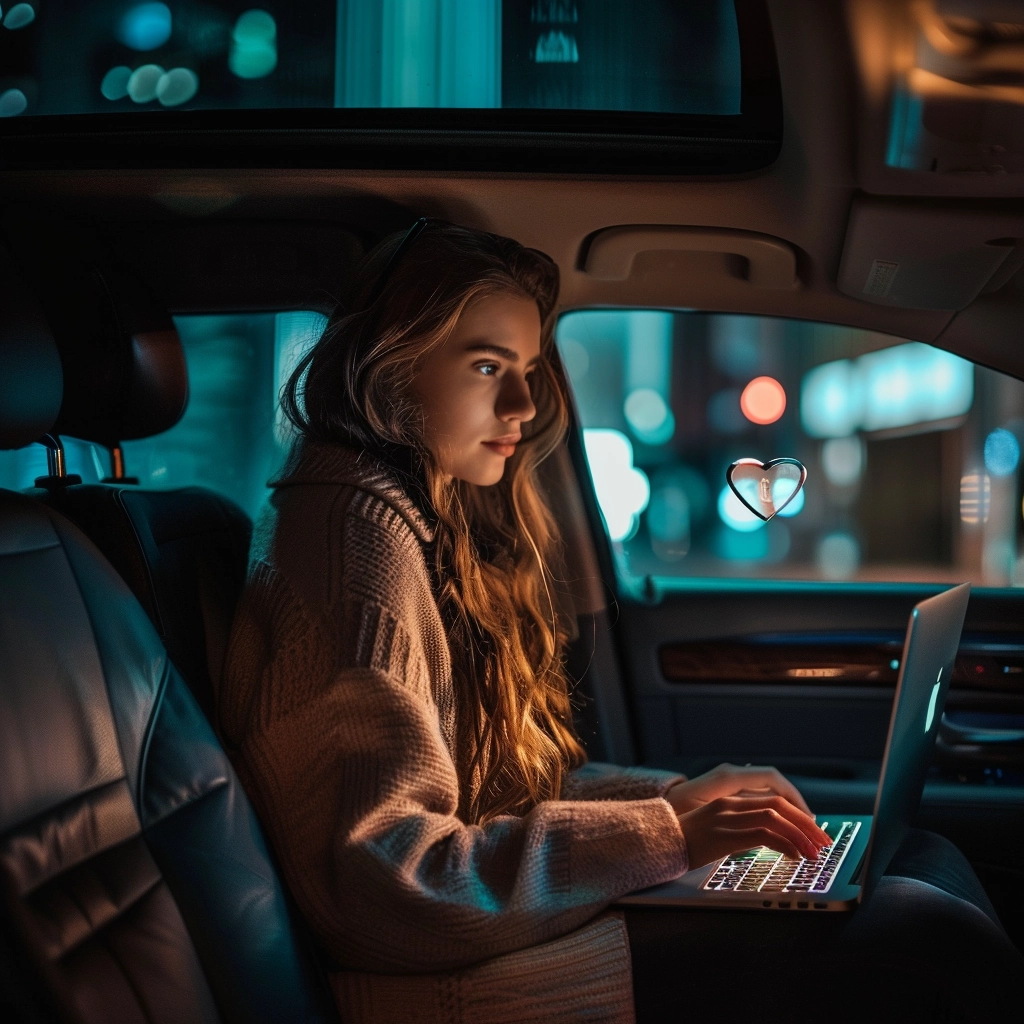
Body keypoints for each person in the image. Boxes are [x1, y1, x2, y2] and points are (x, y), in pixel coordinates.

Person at [220, 221, 1022, 1024]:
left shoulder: (416, 519)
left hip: (492, 940)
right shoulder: (356, 541)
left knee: (920, 859)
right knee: (923, 936)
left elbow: (492, 795)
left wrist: (678, 797)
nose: (525, 405)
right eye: (488, 367)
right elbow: (393, 891)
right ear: (390, 366)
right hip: (441, 988)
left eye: (528, 370)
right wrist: (671, 833)